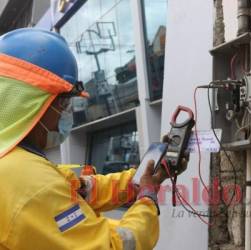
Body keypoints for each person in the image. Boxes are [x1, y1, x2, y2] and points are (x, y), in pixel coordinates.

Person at [0, 28, 188, 250]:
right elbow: (114, 246)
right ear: (34, 102)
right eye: (63, 103)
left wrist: (145, 176)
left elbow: (84, 189)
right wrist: (147, 198)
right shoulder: (32, 185)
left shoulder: (14, 161)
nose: (67, 112)